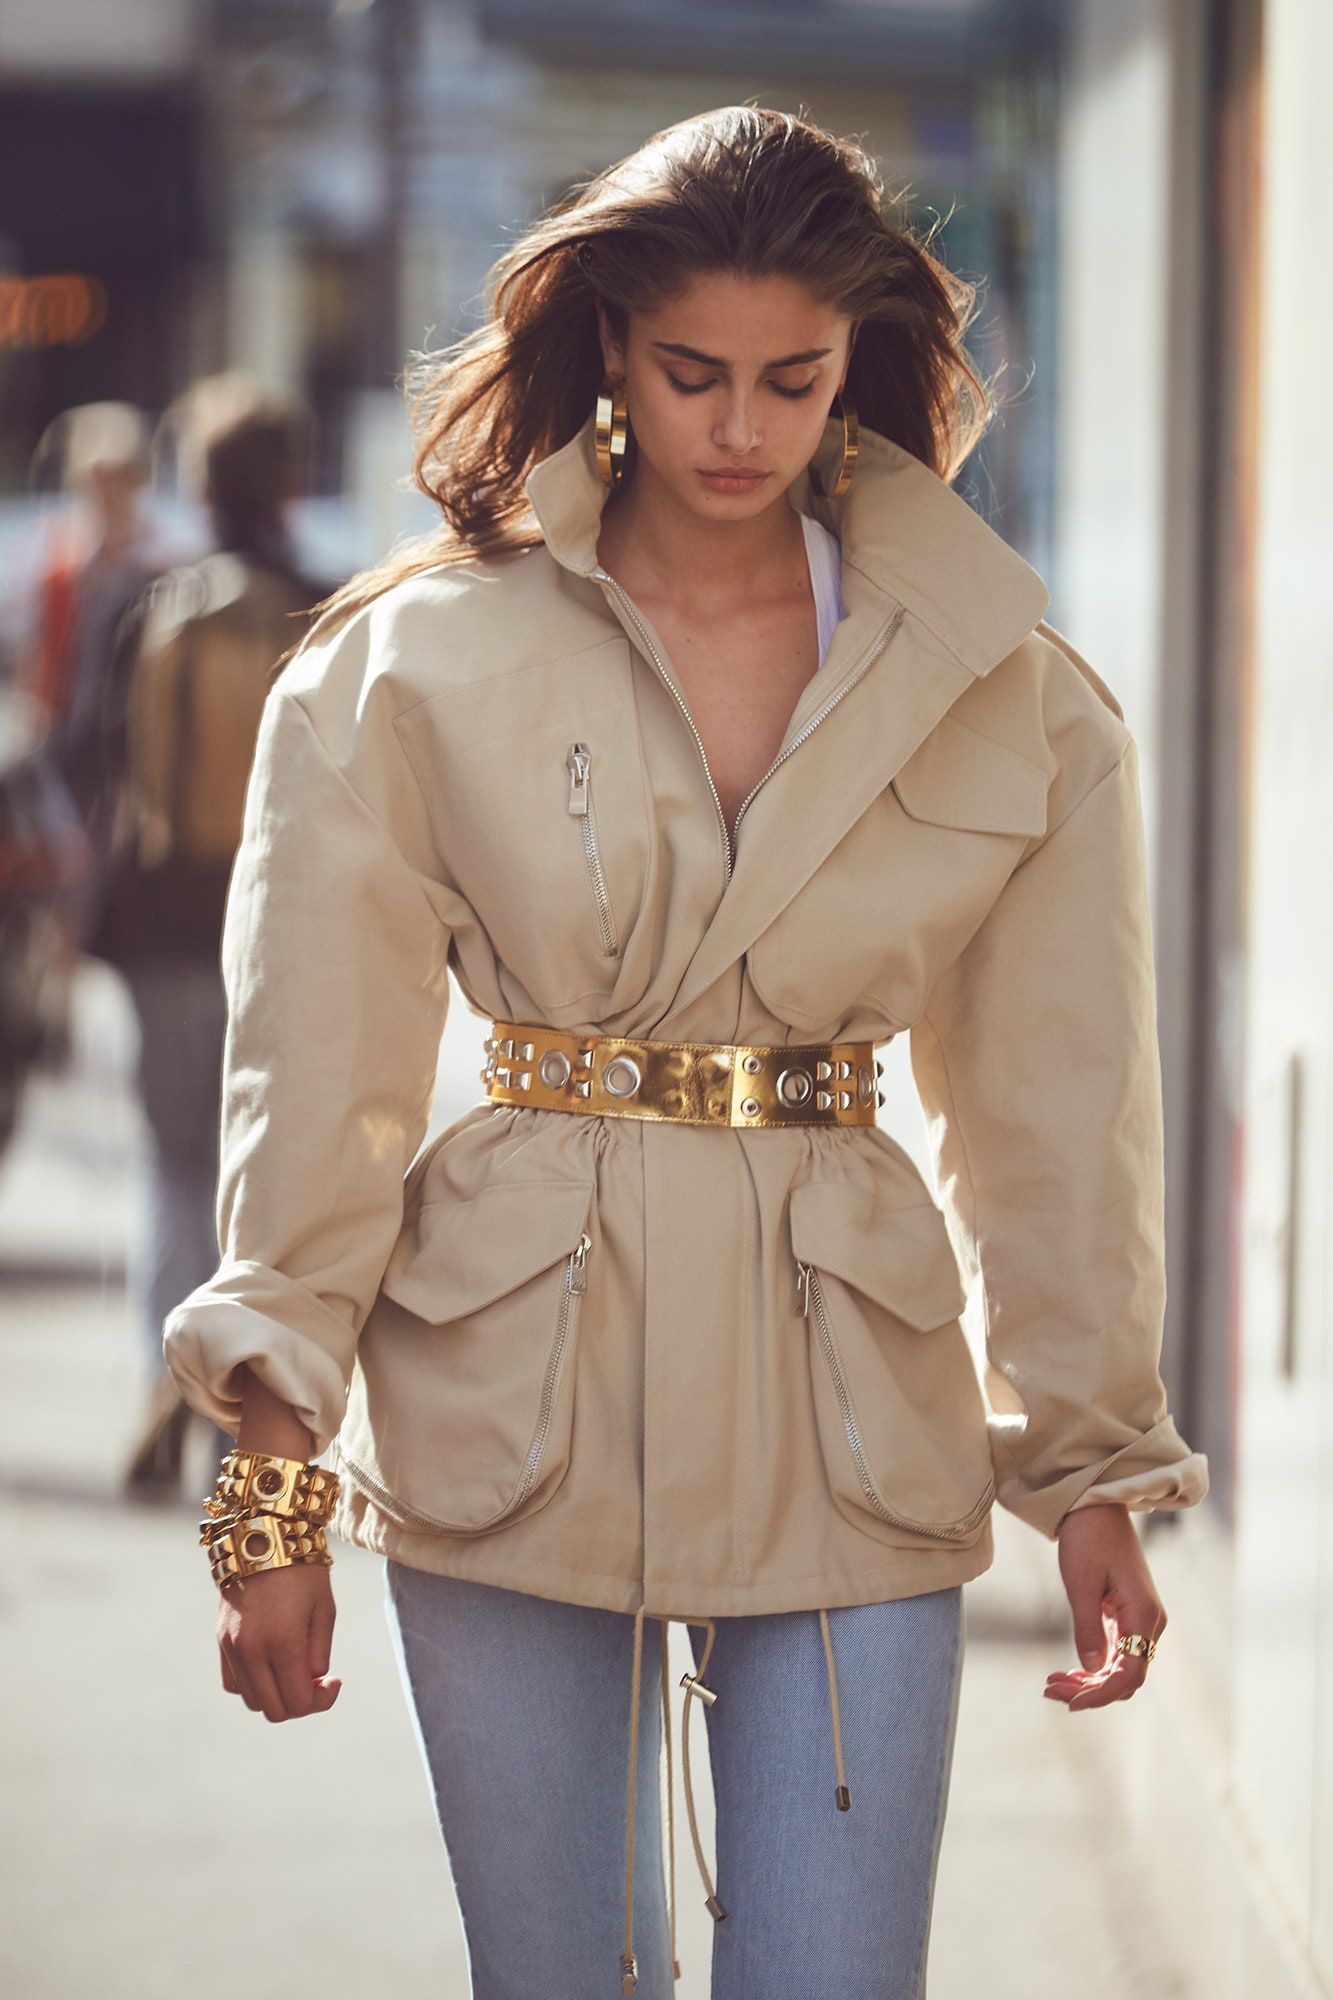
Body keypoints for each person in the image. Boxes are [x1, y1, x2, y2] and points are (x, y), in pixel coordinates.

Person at [164, 109, 1208, 1999]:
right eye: (692, 374)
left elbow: (1053, 1113)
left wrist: (1093, 1465)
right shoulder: (407, 665)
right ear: (610, 357)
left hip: (855, 1409)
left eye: (792, 382)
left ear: (855, 366)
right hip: (505, 1386)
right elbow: (317, 1080)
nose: (741, 428)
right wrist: (269, 1479)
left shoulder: (1003, 683)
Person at [114, 375, 331, 1495]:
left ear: (197, 480)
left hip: (160, 926)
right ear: (293, 478)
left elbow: (101, 775)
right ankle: (229, 1409)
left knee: (167, 1161)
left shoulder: (157, 603)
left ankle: (160, 1377)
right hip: (290, 931)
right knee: (259, 1181)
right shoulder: (331, 605)